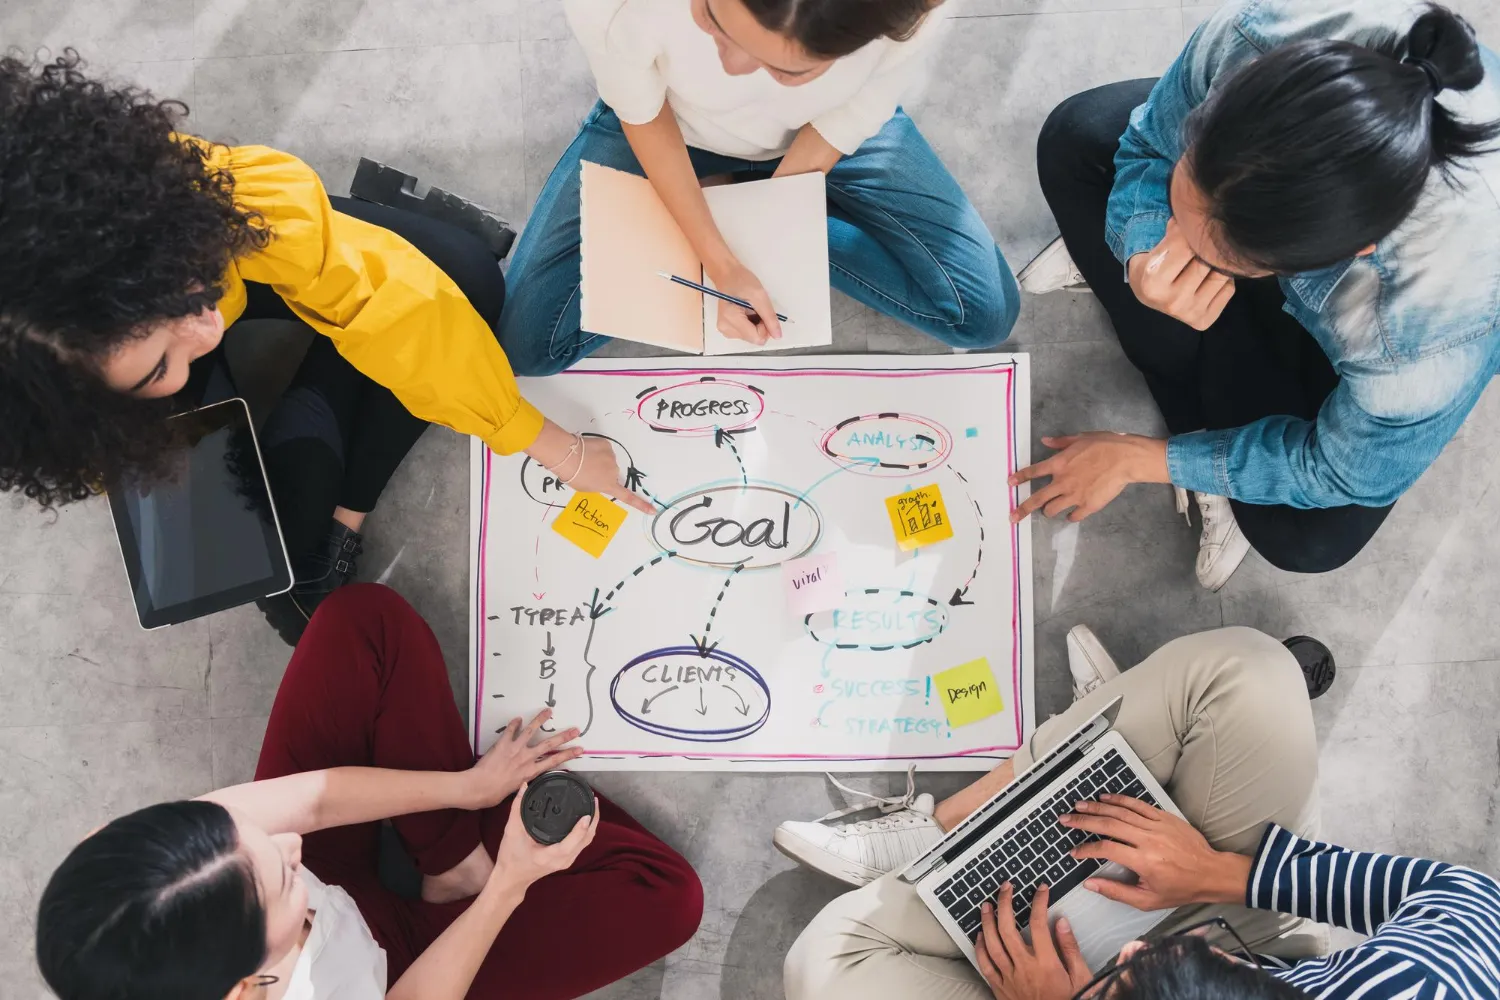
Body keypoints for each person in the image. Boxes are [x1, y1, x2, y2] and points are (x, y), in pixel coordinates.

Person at [0, 53, 654, 645]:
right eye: (156, 365)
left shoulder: (136, 199)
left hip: (225, 247)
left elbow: (397, 304)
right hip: (116, 358)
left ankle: (345, 495)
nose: (206, 332)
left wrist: (552, 446)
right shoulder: (47, 399)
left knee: (458, 284)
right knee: (269, 581)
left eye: (182, 293)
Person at [1010, 1, 1500, 591]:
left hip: (1386, 335)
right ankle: (1178, 306)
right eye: (1190, 176)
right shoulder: (1265, 30)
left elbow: (1337, 472)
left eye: (1208, 253)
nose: (1176, 247)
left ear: (1349, 252)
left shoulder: (1422, 346)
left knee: (1306, 539)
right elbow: (1151, 142)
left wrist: (1145, 459)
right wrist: (1139, 248)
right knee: (1076, 135)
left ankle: (1207, 432)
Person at [35, 584, 703, 1000]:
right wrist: (506, 888)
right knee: (666, 898)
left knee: (363, 622)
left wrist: (466, 792)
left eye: (244, 838)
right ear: (244, 990)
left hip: (356, 889)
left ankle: (448, 862)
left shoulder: (150, 870)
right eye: (282, 877)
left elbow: (314, 806)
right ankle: (466, 869)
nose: (290, 841)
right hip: (404, 976)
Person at [776, 625, 1500, 1000]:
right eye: (1151, 963)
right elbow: (1471, 901)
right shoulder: (1428, 990)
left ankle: (1108, 748)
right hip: (1264, 941)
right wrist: (1223, 875)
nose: (1127, 952)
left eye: (1124, 980)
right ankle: (940, 831)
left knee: (824, 967)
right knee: (1249, 673)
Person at [497, 0, 1019, 374]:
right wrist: (725, 262)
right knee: (526, 346)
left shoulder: (910, 13)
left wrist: (761, 224)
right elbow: (644, 115)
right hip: (667, 124)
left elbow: (852, 113)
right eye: (714, 22)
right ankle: (711, 206)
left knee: (983, 315)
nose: (732, 68)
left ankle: (709, 205)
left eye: (787, 69)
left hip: (827, 131)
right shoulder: (614, 7)